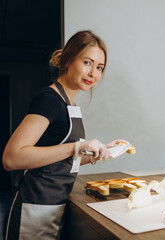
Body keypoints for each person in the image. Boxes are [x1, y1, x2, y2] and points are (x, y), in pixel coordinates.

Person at [2, 30, 121, 239]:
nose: (93, 73)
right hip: (33, 209)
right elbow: (11, 158)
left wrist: (104, 151)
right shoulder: (50, 100)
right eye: (87, 63)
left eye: (99, 67)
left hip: (52, 207)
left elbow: (64, 161)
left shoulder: (70, 103)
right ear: (69, 60)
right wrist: (74, 147)